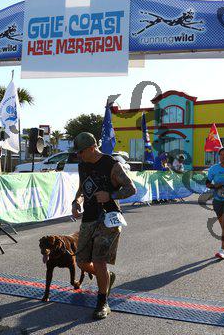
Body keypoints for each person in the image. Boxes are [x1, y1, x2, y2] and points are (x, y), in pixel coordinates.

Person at [71, 132, 136, 320]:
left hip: (108, 218)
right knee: (81, 261)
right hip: (89, 218)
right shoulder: (82, 165)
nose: (79, 155)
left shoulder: (111, 164)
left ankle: (102, 302)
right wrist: (76, 202)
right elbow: (82, 188)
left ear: (92, 148)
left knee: (99, 260)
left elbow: (131, 188)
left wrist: (111, 195)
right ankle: (106, 277)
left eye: (81, 151)